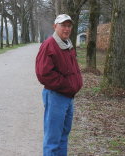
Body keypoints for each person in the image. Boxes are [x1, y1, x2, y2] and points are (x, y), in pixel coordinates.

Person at [35, 14, 83, 156]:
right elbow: (44, 74)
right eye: (63, 25)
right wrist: (67, 85)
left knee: (63, 137)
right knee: (52, 140)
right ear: (55, 26)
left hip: (68, 98)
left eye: (69, 26)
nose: (66, 29)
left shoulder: (67, 44)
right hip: (56, 96)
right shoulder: (49, 45)